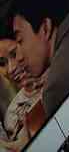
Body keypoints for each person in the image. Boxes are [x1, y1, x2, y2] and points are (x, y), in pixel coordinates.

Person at [0, 19, 44, 152]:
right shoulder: (10, 114)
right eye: (2, 63)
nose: (11, 68)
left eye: (14, 54)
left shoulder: (56, 79)